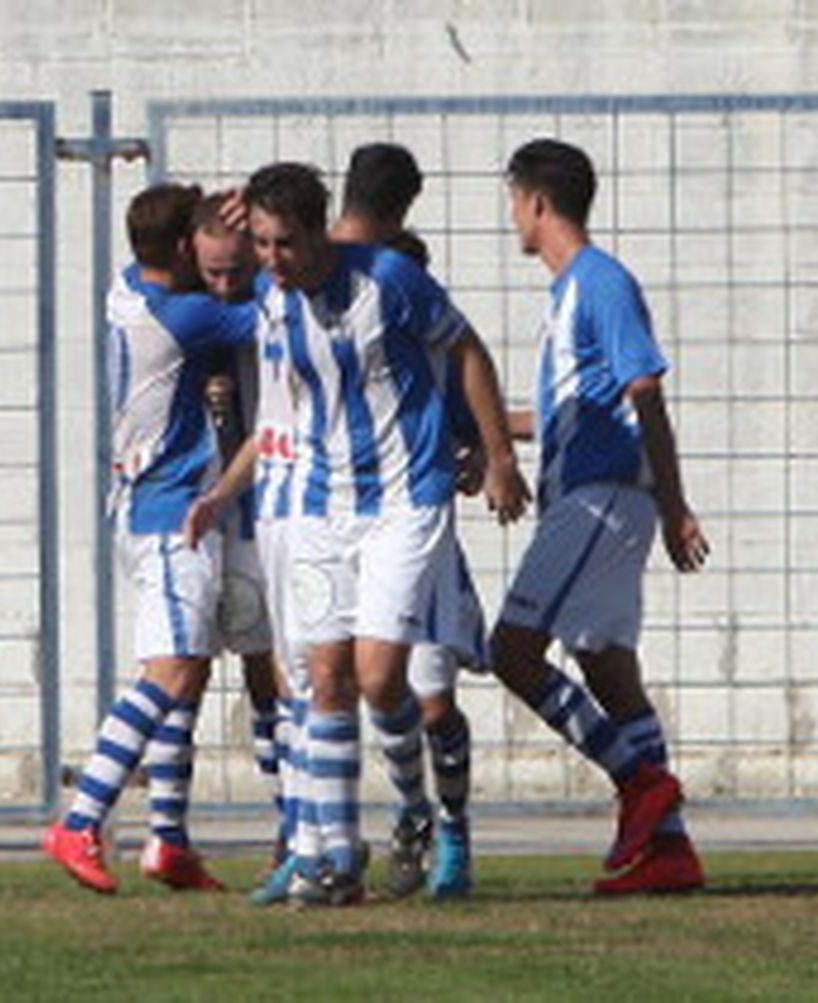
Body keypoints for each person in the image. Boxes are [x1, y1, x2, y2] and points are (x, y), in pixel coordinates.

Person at [186, 162, 527, 907]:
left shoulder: (390, 282)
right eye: (262, 244)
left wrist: (499, 455)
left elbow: (467, 352)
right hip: (317, 506)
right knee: (324, 676)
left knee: (381, 678)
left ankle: (417, 808)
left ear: (320, 233)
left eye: (283, 244)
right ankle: (336, 861)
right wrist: (221, 493)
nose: (270, 260)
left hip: (405, 502)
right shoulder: (271, 298)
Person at [488, 138, 709, 895]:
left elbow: (646, 392)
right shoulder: (567, 294)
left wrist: (675, 505)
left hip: (601, 496)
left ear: (536, 202)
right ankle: (670, 852)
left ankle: (639, 782)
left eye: (513, 201)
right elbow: (562, 415)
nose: (512, 217)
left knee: (512, 651)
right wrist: (481, 433)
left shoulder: (600, 282)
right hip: (594, 494)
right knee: (608, 668)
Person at [42, 183, 257, 894]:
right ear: (184, 248)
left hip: (144, 503)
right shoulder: (188, 315)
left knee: (190, 673)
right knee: (168, 671)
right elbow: (275, 312)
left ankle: (168, 839)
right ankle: (80, 820)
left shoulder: (128, 286)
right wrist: (266, 247)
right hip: (172, 512)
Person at [331, 142, 484, 900]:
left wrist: (487, 448)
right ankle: (400, 813)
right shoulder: (320, 298)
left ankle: (450, 828)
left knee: (430, 696)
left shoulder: (419, 321)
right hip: (343, 516)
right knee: (356, 683)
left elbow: (466, 395)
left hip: (417, 523)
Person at [190, 196, 299, 874]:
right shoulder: (185, 312)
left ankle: (302, 820)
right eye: (213, 273)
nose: (226, 285)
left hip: (282, 505)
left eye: (238, 271)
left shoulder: (278, 301)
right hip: (217, 514)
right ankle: (284, 815)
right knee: (227, 667)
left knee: (287, 669)